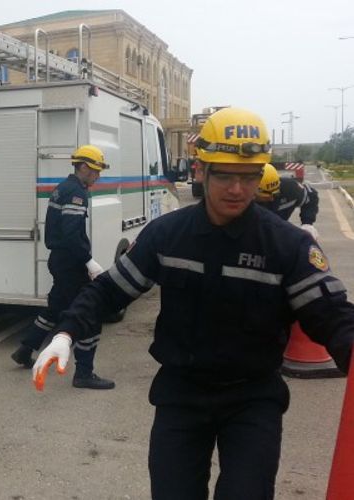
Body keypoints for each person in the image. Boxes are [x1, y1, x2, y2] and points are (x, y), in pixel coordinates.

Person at [31, 108, 354, 499]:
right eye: (225, 175)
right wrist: (66, 331)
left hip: (252, 399)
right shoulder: (169, 234)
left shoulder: (287, 245)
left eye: (249, 177)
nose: (237, 189)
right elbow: (110, 290)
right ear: (201, 170)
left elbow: (332, 316)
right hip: (181, 394)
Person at [10, 145, 115, 390]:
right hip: (70, 262)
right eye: (96, 171)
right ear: (84, 167)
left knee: (56, 307)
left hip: (60, 260)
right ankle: (84, 373)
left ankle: (25, 349)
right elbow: (71, 234)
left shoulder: (63, 187)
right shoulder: (76, 193)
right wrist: (88, 260)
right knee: (89, 313)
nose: (98, 176)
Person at [255, 163, 320, 239]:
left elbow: (310, 196)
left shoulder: (289, 188)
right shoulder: (242, 200)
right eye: (267, 195)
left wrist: (307, 223)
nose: (272, 198)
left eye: (275, 194)